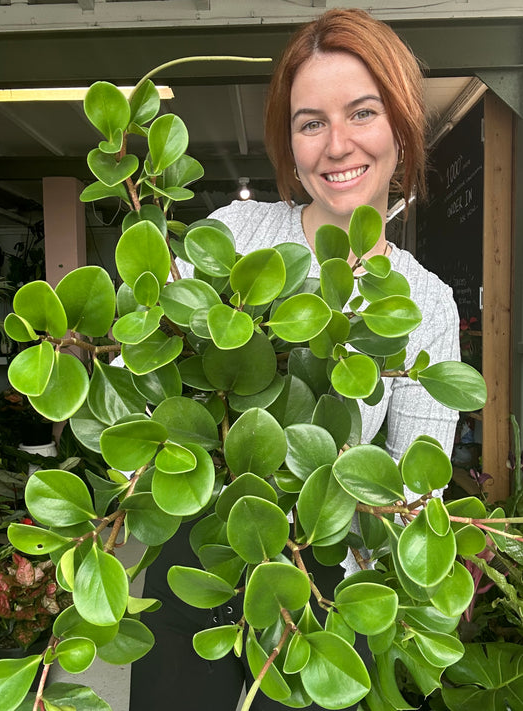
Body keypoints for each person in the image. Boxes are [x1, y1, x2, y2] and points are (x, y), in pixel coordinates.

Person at [130, 8, 460, 710]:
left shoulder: (426, 304)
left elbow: (413, 497)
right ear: (289, 141)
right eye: (310, 122)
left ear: (400, 126)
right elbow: (152, 392)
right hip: (203, 576)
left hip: (318, 605)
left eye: (361, 113)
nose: (336, 145)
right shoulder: (235, 236)